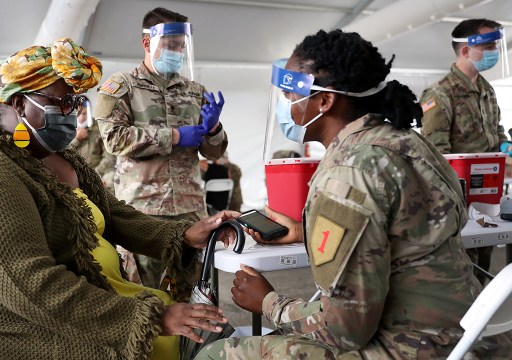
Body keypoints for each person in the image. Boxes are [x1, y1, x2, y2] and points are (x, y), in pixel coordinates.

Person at [196, 29, 511, 359]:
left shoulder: (347, 174)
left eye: (290, 96)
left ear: (324, 101)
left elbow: (343, 332)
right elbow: (408, 233)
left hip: (412, 347)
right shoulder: (410, 144)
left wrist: (268, 302)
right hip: (466, 337)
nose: (286, 105)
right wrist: (305, 232)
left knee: (216, 354)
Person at [0, 38, 238, 360]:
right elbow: (31, 286)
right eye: (61, 102)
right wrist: (150, 319)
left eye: (77, 101)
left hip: (96, 298)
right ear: (19, 104)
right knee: (200, 344)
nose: (72, 113)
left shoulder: (54, 155)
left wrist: (181, 234)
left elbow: (112, 215)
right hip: (22, 327)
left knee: (210, 335)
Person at [95, 7, 228, 290]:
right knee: (147, 296)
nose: (178, 52)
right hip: (144, 211)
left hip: (190, 208)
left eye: (181, 46)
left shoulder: (195, 90)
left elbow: (214, 154)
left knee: (193, 293)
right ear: (147, 43)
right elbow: (114, 139)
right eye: (171, 46)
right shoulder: (122, 87)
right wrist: (176, 136)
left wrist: (214, 130)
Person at [420, 19, 509, 285]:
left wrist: (505, 145)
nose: (494, 51)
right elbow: (436, 154)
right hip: (458, 197)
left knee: (484, 259)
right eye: (488, 46)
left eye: (495, 45)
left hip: (488, 193)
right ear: (466, 51)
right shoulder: (440, 93)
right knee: (460, 269)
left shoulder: (485, 89)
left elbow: (496, 130)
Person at [70, 99, 116, 191]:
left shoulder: (99, 126)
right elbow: (63, 153)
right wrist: (77, 139)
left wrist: (96, 174)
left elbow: (109, 155)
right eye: (77, 114)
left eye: (84, 113)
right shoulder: (67, 127)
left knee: (111, 181)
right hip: (76, 173)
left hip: (100, 170)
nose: (81, 117)